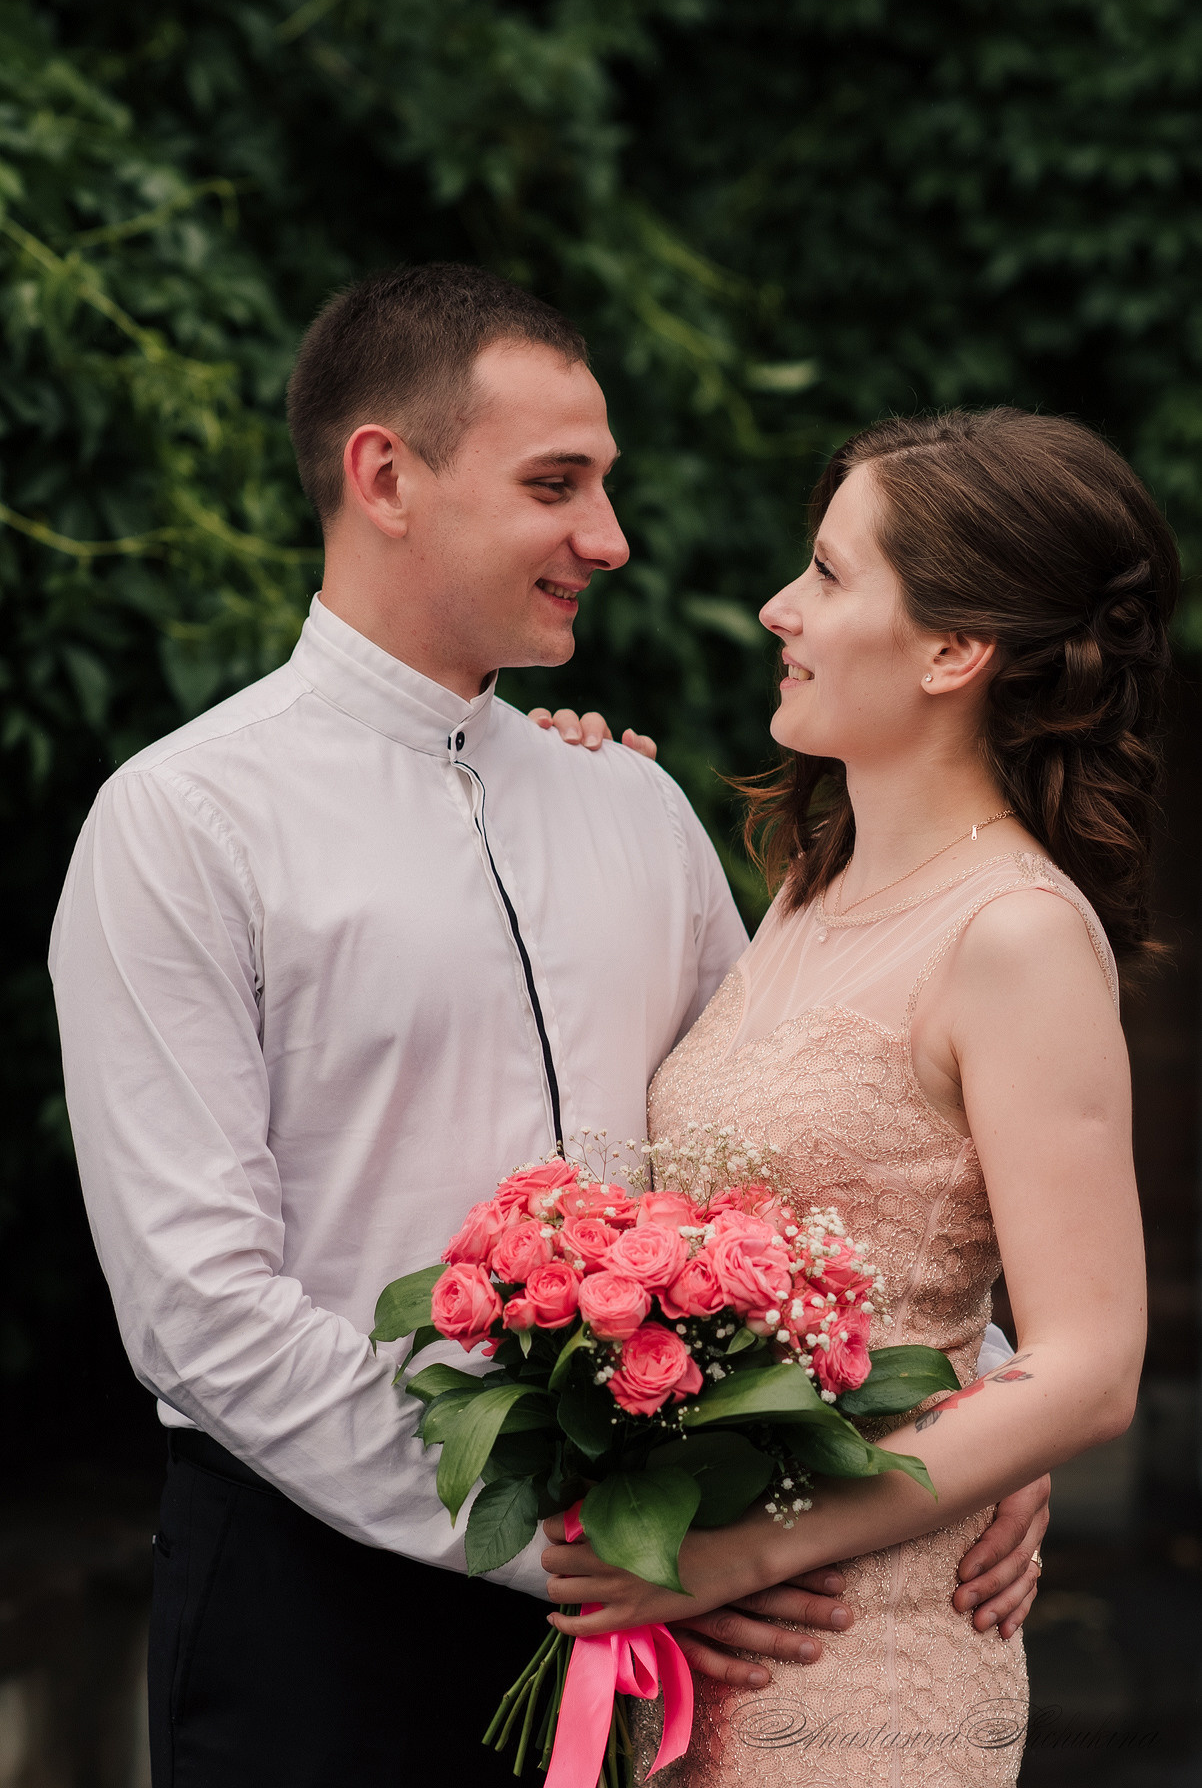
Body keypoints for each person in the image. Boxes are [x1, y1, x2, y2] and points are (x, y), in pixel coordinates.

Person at [49, 268, 1045, 1787]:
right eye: (554, 485)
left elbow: (787, 1139)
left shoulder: (630, 805)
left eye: (606, 484)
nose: (610, 539)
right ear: (386, 475)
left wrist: (976, 1404)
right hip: (320, 1611)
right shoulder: (183, 822)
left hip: (676, 1602)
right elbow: (199, 1304)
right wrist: (558, 1542)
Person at [541, 407, 1166, 1786]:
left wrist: (735, 1553)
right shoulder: (808, 889)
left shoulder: (1013, 934)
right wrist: (551, 788)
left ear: (952, 651)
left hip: (854, 1653)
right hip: (701, 1647)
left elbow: (1089, 1365)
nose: (778, 608)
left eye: (828, 576)